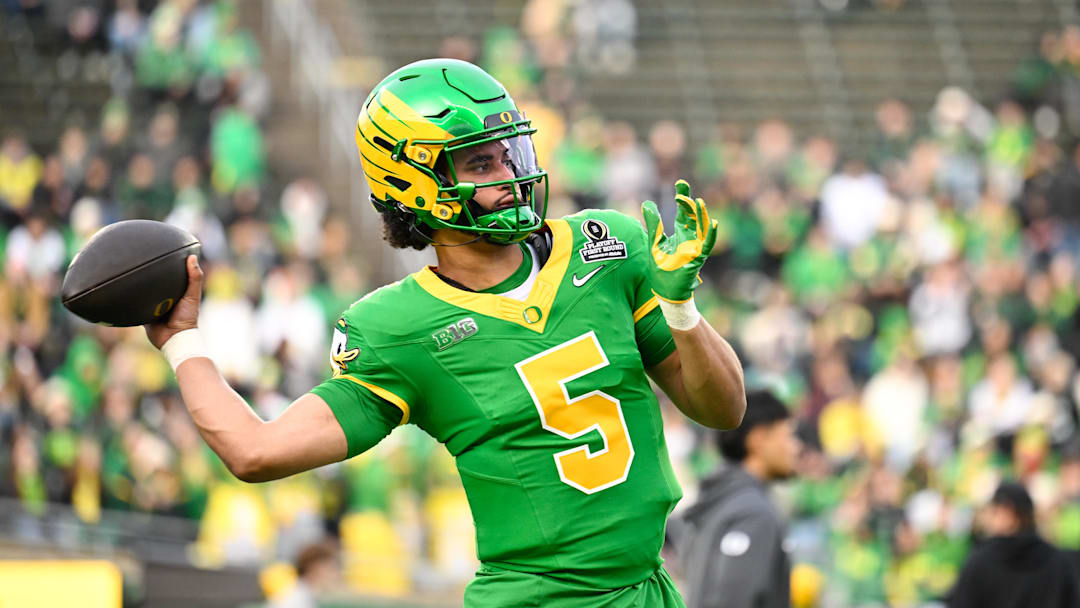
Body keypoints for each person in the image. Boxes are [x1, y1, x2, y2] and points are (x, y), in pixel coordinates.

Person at [143, 58, 746, 607]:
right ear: (414, 182)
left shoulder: (605, 246)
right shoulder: (398, 328)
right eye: (481, 162)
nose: (511, 174)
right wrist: (180, 340)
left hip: (649, 590)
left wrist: (680, 309)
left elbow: (724, 409)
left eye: (510, 151)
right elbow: (255, 451)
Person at [675, 390, 799, 608]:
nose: (796, 447)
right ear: (759, 440)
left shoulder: (716, 501)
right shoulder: (753, 513)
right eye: (788, 435)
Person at [948, 481, 1080, 608]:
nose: (986, 519)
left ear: (1007, 512)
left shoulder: (979, 562)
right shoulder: (1057, 562)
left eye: (992, 511)